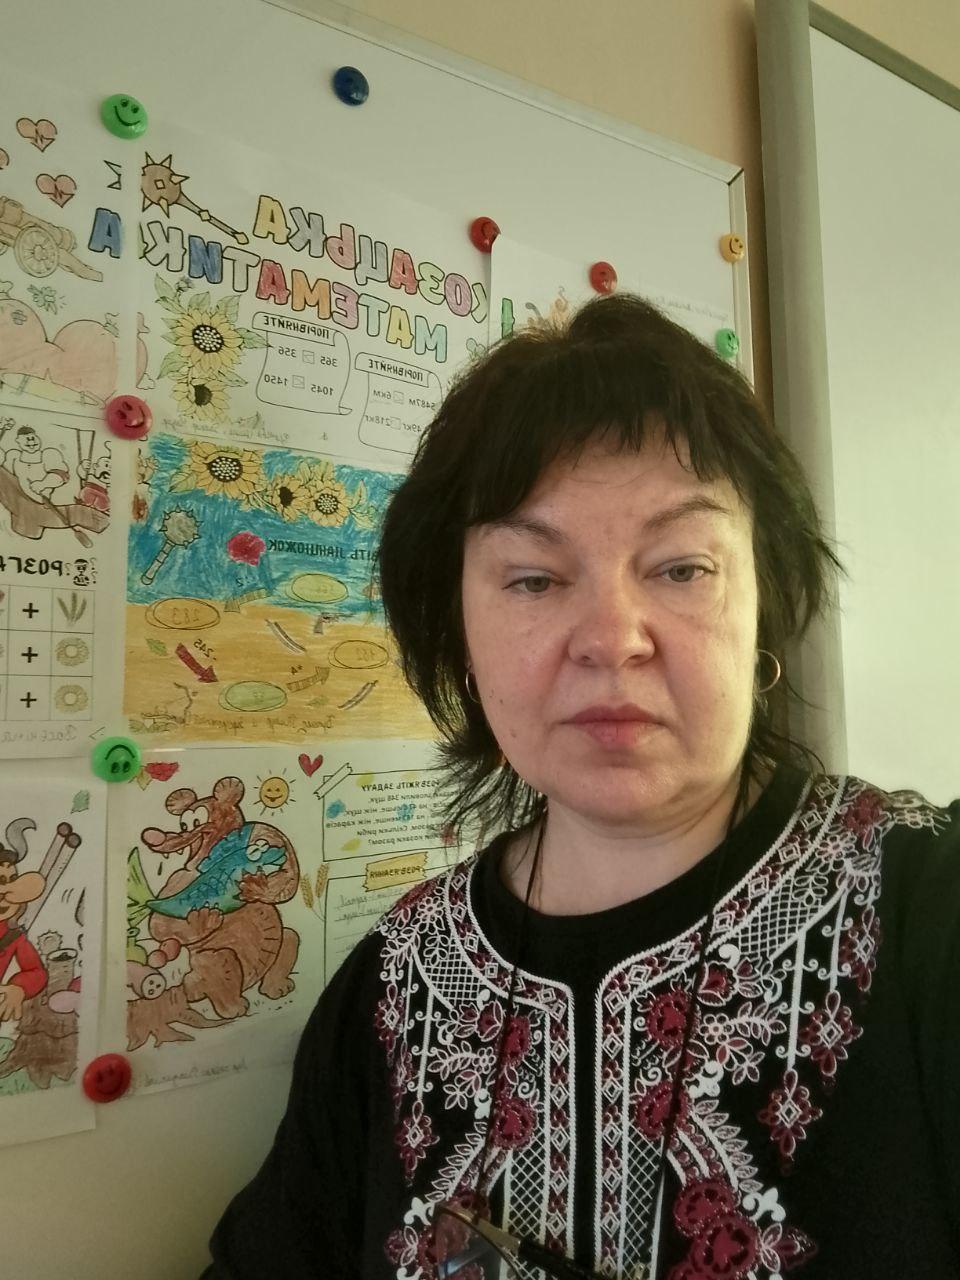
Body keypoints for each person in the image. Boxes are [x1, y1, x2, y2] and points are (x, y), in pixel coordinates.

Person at [203, 294, 960, 1279]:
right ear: (459, 634)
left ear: (765, 603)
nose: (611, 638)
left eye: (681, 568)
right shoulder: (392, 986)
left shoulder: (925, 908)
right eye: (533, 578)